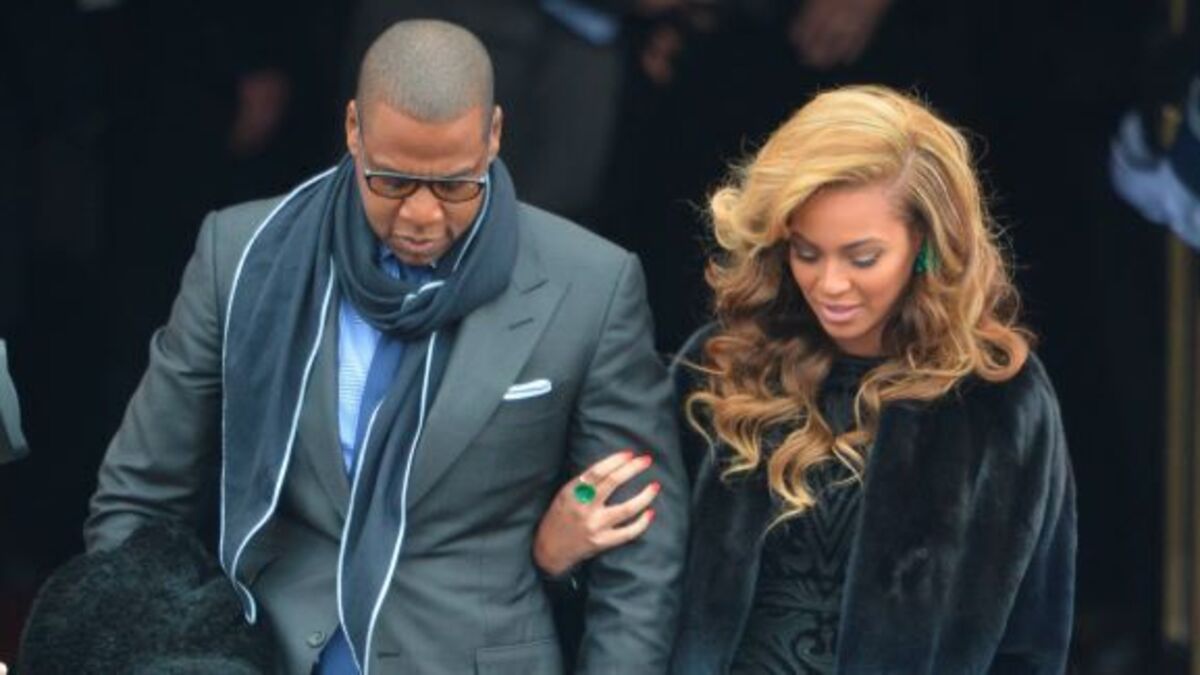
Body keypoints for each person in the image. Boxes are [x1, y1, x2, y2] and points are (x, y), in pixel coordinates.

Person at [85, 19, 687, 675]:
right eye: (392, 182)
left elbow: (641, 554)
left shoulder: (590, 285)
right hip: (266, 651)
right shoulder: (244, 256)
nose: (421, 216)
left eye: (454, 185)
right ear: (353, 130)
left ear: (493, 136)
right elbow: (141, 496)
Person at [534, 85, 1076, 673]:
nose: (830, 284)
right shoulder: (720, 365)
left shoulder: (997, 395)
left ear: (926, 242)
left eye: (862, 257)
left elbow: (1032, 638)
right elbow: (633, 591)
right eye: (807, 252)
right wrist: (560, 558)